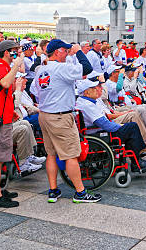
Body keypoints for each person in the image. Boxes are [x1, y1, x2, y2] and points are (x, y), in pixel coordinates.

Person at [32, 39, 100, 203]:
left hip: (45, 114)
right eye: (65, 50)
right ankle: (80, 192)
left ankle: (53, 190)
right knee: (71, 155)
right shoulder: (60, 67)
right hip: (60, 116)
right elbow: (87, 68)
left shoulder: (42, 69)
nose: (67, 52)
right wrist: (78, 51)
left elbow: (34, 89)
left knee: (51, 153)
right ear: (57, 52)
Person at [76, 78, 146, 173]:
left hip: (99, 131)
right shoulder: (87, 105)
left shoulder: (86, 102)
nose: (97, 90)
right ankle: (137, 162)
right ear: (86, 92)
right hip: (100, 134)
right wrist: (120, 126)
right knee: (132, 127)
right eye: (94, 88)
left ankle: (136, 161)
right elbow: (105, 125)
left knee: (129, 128)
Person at [0, 40, 25, 208]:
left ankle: (0, 190)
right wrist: (16, 66)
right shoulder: (0, 67)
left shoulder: (4, 67)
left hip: (4, 117)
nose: (17, 53)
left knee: (3, 157)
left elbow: (4, 94)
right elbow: (5, 84)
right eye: (14, 50)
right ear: (7, 52)